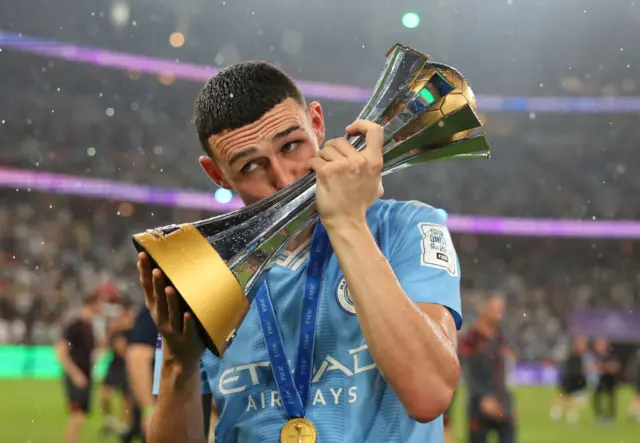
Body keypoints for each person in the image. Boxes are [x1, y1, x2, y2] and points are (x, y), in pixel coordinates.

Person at [139, 61, 462, 442]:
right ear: (217, 175)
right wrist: (180, 361)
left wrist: (347, 224)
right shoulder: (204, 272)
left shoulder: (406, 227)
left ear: (318, 124)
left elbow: (429, 393)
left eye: (291, 145)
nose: (282, 177)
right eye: (251, 166)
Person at [459, 295, 515, 443]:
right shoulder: (472, 338)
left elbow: (503, 371)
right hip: (479, 404)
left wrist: (507, 401)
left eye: (501, 310)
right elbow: (469, 372)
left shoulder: (501, 337)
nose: (499, 314)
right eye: (495, 309)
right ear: (484, 310)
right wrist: (483, 398)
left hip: (502, 402)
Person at [55, 293, 104, 443]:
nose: (102, 308)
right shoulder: (75, 325)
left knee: (81, 415)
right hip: (77, 377)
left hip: (85, 375)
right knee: (77, 416)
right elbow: (60, 351)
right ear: (92, 303)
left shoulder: (89, 326)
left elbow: (96, 350)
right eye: (100, 304)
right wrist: (75, 374)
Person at [100, 301, 136, 437]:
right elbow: (106, 344)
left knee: (126, 397)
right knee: (105, 394)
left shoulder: (133, 330)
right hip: (115, 364)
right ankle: (110, 419)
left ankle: (125, 425)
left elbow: (124, 349)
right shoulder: (115, 330)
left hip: (129, 365)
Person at [549, 336, 593, 424]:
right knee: (563, 397)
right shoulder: (572, 356)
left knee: (574, 399)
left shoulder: (581, 356)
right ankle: (557, 413)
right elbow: (572, 370)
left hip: (574, 381)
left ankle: (570, 416)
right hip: (570, 381)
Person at [592, 337, 620, 424]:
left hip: (610, 380)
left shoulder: (611, 355)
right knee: (597, 397)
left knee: (610, 398)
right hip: (600, 380)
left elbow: (615, 367)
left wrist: (603, 367)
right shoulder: (596, 356)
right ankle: (600, 415)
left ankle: (611, 416)